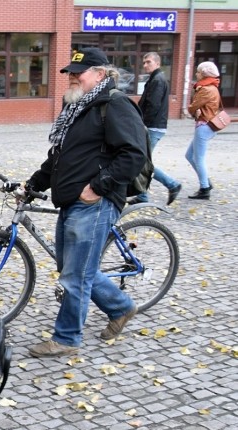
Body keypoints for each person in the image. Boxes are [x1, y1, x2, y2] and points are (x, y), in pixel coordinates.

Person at [26, 48, 144, 358]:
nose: (73, 76)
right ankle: (121, 307)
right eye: (70, 72)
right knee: (74, 268)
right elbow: (60, 158)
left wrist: (97, 187)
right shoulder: (77, 109)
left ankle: (66, 338)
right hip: (71, 201)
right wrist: (34, 183)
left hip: (94, 203)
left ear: (100, 74)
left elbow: (133, 155)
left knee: (75, 275)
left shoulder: (114, 105)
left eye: (81, 71)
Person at [133, 52, 182, 205]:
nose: (145, 65)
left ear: (157, 63)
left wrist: (142, 124)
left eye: (148, 62)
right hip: (153, 126)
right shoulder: (155, 79)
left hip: (153, 127)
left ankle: (171, 184)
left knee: (142, 161)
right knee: (142, 160)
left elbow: (153, 105)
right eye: (144, 62)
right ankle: (142, 195)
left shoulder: (158, 80)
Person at [186, 61, 223, 201]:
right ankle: (205, 181)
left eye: (198, 71)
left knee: (198, 158)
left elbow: (191, 107)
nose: (196, 74)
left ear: (204, 73)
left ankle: (205, 188)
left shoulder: (206, 89)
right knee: (189, 155)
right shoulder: (212, 87)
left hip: (204, 126)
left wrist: (194, 108)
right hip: (206, 125)